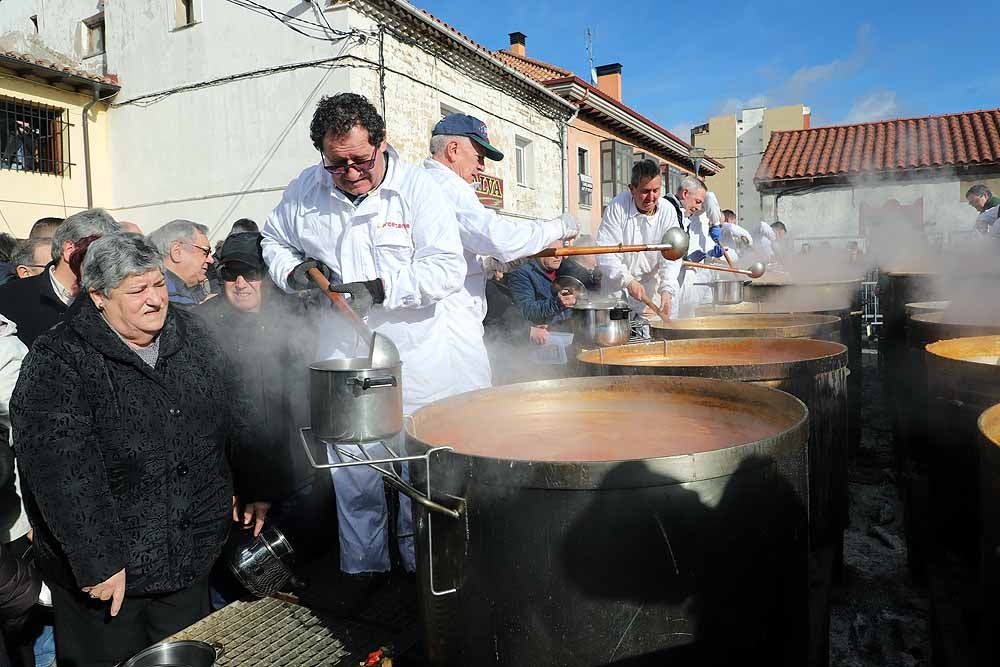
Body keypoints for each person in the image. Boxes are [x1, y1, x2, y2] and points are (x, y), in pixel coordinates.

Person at [10, 233, 269, 666]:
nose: (154, 300)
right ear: (98, 296)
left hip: (190, 553)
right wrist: (97, 561)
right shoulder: (60, 359)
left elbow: (238, 407)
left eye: (158, 285)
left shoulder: (192, 333)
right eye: (137, 291)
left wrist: (257, 479)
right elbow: (59, 472)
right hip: (112, 576)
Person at [261, 93, 465, 578]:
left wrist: (380, 289)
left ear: (382, 144)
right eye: (337, 164)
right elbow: (273, 240)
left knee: (422, 488)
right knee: (357, 485)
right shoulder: (305, 190)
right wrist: (293, 270)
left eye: (360, 160)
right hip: (345, 371)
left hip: (415, 366)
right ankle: (367, 579)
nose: (351, 173)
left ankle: (421, 581)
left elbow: (447, 269)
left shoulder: (418, 189)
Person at [423, 113, 578, 391]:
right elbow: (499, 236)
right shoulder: (447, 185)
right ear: (454, 150)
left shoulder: (429, 184)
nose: (482, 167)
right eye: (479, 156)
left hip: (448, 322)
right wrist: (557, 227)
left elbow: (452, 251)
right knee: (470, 404)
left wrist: (489, 262)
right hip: (449, 326)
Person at [196, 232, 324, 554]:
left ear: (267, 276)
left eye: (250, 273)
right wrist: (253, 485)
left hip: (305, 470)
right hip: (246, 483)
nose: (240, 283)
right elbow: (227, 417)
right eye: (230, 274)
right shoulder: (206, 325)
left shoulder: (298, 314)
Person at [0, 208, 121, 348]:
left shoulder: (113, 297)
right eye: (101, 253)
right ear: (70, 250)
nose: (111, 262)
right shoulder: (8, 298)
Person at [596, 162, 697, 320]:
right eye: (645, 191)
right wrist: (628, 280)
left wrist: (667, 290)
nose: (651, 198)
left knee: (656, 339)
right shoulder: (617, 206)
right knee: (617, 338)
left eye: (656, 191)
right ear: (632, 189)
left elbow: (671, 255)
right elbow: (605, 252)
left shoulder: (667, 211)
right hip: (618, 288)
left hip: (652, 289)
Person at [507, 240, 578, 330]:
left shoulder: (566, 269)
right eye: (553, 251)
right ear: (539, 250)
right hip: (545, 336)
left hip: (572, 330)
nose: (558, 256)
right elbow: (527, 311)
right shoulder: (521, 274)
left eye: (561, 251)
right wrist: (557, 303)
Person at [148, 219, 216, 309]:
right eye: (205, 252)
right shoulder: (162, 299)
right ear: (177, 252)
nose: (211, 260)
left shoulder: (177, 294)